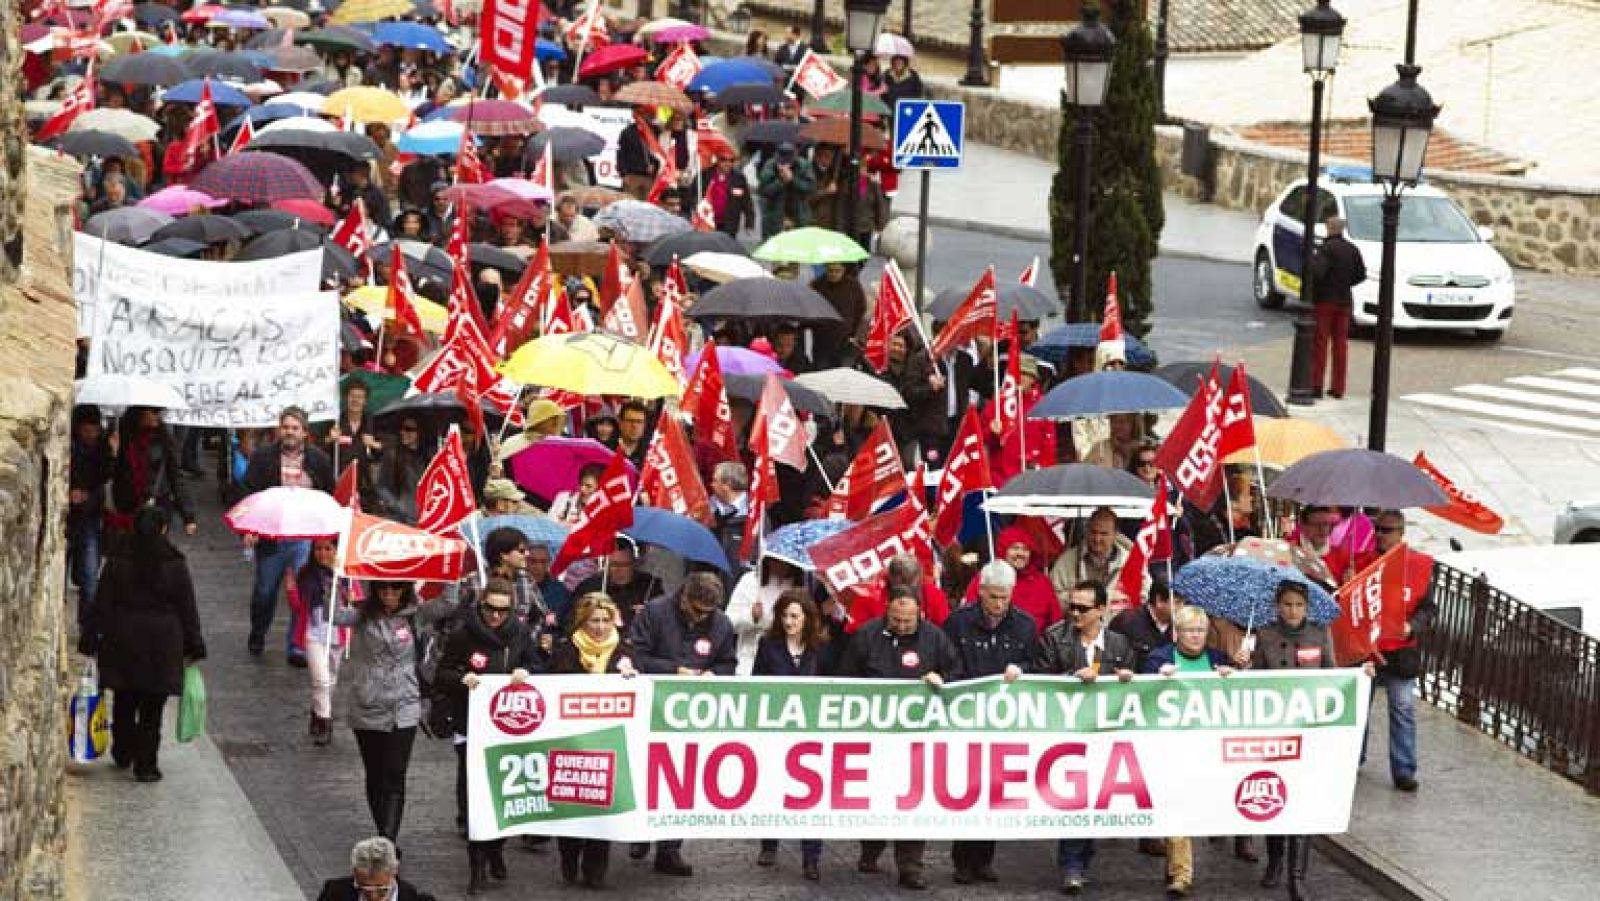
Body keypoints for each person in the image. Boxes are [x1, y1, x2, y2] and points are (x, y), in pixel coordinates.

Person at [839, 587, 962, 890]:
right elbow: (844, 678)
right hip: (875, 734)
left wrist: (942, 681)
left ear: (920, 614)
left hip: (917, 737)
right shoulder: (867, 636)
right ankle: (871, 849)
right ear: (887, 613)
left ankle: (910, 867)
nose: (903, 626)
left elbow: (957, 674)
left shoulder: (934, 638)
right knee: (876, 797)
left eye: (908, 621)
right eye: (896, 620)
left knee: (912, 801)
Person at [78, 505, 205, 783]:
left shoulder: (117, 560)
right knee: (152, 707)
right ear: (162, 529)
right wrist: (194, 645)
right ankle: (146, 764)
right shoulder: (174, 563)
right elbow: (187, 608)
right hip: (162, 642)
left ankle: (123, 749)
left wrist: (89, 639)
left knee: (124, 698)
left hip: (123, 638)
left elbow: (101, 602)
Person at [435, 578, 544, 894]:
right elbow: (442, 673)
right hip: (471, 726)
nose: (495, 616)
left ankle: (496, 849)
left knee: (504, 793)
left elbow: (535, 664)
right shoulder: (462, 635)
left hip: (509, 728)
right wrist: (461, 678)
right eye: (490, 609)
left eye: (502, 611)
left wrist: (527, 672)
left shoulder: (520, 634)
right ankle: (477, 864)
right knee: (475, 796)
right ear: (480, 605)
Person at [625, 573, 737, 877]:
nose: (701, 617)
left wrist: (717, 675)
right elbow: (636, 655)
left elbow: (728, 663)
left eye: (707, 613)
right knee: (646, 773)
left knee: (681, 780)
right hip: (652, 707)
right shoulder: (656, 612)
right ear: (685, 596)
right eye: (697, 610)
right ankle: (639, 833)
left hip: (692, 715)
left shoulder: (721, 624)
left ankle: (669, 848)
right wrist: (674, 671)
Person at [1032, 580, 1136, 892]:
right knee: (1075, 797)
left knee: (1096, 799)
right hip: (1068, 733)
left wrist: (1124, 679)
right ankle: (1072, 865)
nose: (1074, 613)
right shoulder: (1054, 638)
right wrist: (1070, 679)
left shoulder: (1119, 644)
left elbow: (1135, 683)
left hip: (1106, 733)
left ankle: (1082, 858)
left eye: (1082, 608)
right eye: (1071, 606)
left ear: (1101, 610)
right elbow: (1039, 681)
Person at [1245, 581, 1342, 898]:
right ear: (1278, 606)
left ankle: (1297, 875)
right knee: (1276, 794)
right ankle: (1275, 860)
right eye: (1287, 605)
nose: (1293, 611)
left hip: (1308, 729)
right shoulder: (1266, 634)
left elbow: (1332, 676)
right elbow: (1255, 678)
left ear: (1306, 608)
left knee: (1304, 802)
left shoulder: (1319, 633)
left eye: (1298, 605)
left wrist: (1360, 677)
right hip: (1274, 730)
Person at [943, 563, 1034, 885]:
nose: (998, 604)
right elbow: (947, 662)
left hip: (1003, 720)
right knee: (967, 789)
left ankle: (985, 858)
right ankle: (963, 861)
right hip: (966, 717)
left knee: (996, 788)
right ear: (980, 591)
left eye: (1004, 598)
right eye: (993, 597)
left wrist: (1020, 669)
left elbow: (1034, 664)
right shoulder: (958, 622)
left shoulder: (1024, 625)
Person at [333, 581, 436, 846]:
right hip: (368, 703)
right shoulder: (362, 615)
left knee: (395, 771)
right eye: (383, 590)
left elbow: (447, 604)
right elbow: (332, 614)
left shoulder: (416, 614)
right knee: (376, 772)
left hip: (405, 703)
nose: (389, 595)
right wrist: (334, 575)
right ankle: (383, 830)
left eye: (395, 590)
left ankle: (388, 840)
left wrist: (451, 570)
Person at [1143, 606, 1235, 897]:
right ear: (1176, 633)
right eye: (1189, 631)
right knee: (1178, 805)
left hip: (1208, 746)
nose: (1196, 637)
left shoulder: (1217, 659)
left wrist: (1234, 673)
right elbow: (1140, 694)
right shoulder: (1160, 658)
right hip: (1172, 746)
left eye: (1200, 631)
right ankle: (1181, 873)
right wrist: (1157, 677)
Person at [549, 593, 636, 888]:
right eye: (593, 621)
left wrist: (632, 679)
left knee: (605, 804)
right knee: (572, 801)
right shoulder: (564, 650)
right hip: (571, 740)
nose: (599, 627)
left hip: (609, 741)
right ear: (581, 622)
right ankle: (569, 855)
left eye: (605, 620)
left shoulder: (626, 652)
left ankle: (596, 866)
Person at [243, 406, 335, 660]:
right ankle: (258, 631)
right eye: (285, 427)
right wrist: (249, 529)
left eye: (295, 428)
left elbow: (329, 493)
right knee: (265, 591)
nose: (289, 433)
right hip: (271, 536)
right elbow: (248, 492)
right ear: (278, 430)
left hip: (304, 536)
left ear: (305, 432)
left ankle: (297, 643)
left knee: (303, 589)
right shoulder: (263, 457)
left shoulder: (319, 460)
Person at [1355, 510, 1436, 793]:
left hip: (1400, 651)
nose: (1380, 535)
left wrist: (1411, 627)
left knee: (1402, 709)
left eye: (1386, 530)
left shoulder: (1420, 565)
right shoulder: (1363, 562)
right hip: (1367, 650)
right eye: (1377, 529)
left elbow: (1428, 608)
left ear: (1401, 533)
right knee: (1359, 708)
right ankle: (1354, 758)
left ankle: (1404, 770)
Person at [751, 589, 829, 879]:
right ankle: (769, 844)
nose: (788, 621)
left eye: (794, 616)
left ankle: (811, 857)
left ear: (808, 618)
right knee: (772, 786)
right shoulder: (768, 645)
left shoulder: (821, 647)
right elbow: (757, 683)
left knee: (813, 795)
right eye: (784, 615)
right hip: (776, 730)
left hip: (812, 733)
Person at [295, 538, 353, 746]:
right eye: (318, 549)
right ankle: (325, 722)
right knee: (321, 679)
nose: (322, 554)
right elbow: (297, 603)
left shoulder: (346, 572)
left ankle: (317, 711)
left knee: (331, 678)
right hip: (314, 630)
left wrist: (340, 580)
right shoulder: (305, 573)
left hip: (337, 631)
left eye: (328, 549)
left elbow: (355, 601)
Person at [109, 406, 196, 537]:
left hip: (157, 506)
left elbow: (175, 477)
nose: (158, 416)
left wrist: (188, 516)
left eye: (159, 412)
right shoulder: (121, 438)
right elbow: (108, 475)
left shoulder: (163, 439)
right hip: (128, 507)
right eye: (154, 412)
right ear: (140, 414)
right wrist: (112, 455)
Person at [1309, 216, 1366, 400]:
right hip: (1345, 300)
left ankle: (1316, 384)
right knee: (1341, 345)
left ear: (1329, 228)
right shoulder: (1352, 249)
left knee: (1320, 342)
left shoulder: (1326, 249)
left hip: (1326, 300)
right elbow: (1361, 274)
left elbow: (1318, 273)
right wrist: (1346, 282)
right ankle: (1338, 387)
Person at [966, 526, 1061, 631]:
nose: (1020, 553)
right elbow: (970, 615)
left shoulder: (1042, 582)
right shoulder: (988, 577)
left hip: (1036, 644)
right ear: (1003, 550)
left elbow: (1056, 621)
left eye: (1025, 549)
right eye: (1015, 548)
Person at [1051, 506, 1147, 610]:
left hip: (1120, 624)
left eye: (1103, 534)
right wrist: (1077, 599)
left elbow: (1145, 596)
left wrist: (1119, 601)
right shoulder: (1067, 561)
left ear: (1115, 534)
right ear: (1087, 530)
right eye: (1093, 532)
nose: (1097, 539)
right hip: (1078, 623)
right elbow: (1052, 598)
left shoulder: (1133, 562)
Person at [69, 405, 113, 626]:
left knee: (89, 576)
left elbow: (104, 477)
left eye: (95, 430)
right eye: (87, 431)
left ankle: (87, 626)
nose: (92, 435)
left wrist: (87, 493)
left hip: (89, 516)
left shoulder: (104, 447)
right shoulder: (68, 447)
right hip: (69, 517)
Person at [726, 556, 803, 675]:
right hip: (750, 658)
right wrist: (752, 617)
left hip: (785, 661)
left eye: (785, 562)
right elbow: (729, 623)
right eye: (775, 561)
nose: (780, 566)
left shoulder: (798, 586)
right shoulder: (750, 581)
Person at [315, 836, 437, 901]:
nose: (373, 897)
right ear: (355, 873)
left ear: (394, 871)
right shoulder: (334, 894)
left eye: (382, 889)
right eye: (363, 888)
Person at [1109, 579, 1178, 673]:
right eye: (1177, 602)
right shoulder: (1126, 622)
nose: (1182, 607)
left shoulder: (1181, 625)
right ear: (1159, 600)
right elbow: (1106, 655)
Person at [373, 416, 430, 524]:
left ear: (419, 433)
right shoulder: (392, 455)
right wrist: (397, 506)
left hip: (422, 519)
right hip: (399, 519)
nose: (403, 432)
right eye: (402, 428)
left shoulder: (426, 458)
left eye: (409, 429)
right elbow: (381, 487)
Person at [757, 142, 816, 239]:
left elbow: (810, 188)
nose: (786, 164)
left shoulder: (804, 166)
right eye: (783, 161)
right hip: (775, 216)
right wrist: (781, 181)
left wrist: (793, 180)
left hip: (798, 215)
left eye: (788, 161)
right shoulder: (770, 165)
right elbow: (764, 191)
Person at [699, 149, 755, 237]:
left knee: (726, 248)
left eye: (731, 160)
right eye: (723, 159)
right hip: (708, 221)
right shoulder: (705, 175)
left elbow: (747, 202)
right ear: (717, 159)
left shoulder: (739, 178)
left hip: (729, 224)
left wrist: (749, 224)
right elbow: (694, 195)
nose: (727, 163)